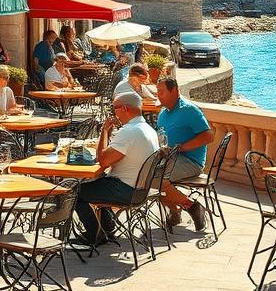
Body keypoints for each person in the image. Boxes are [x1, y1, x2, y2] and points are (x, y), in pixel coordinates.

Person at [72, 92, 160, 245]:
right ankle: (107, 228)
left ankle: (94, 235)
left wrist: (105, 131)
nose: (114, 113)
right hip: (139, 190)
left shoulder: (129, 131)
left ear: (125, 108)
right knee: (98, 182)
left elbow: (103, 161)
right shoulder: (148, 129)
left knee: (74, 192)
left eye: (115, 109)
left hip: (125, 190)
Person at [155, 77, 214, 231]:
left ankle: (191, 207)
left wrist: (181, 148)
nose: (158, 95)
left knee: (156, 181)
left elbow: (208, 136)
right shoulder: (163, 113)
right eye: (157, 92)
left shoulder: (189, 110)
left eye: (161, 92)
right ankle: (176, 211)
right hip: (170, 159)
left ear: (173, 90)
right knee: (143, 177)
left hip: (190, 161)